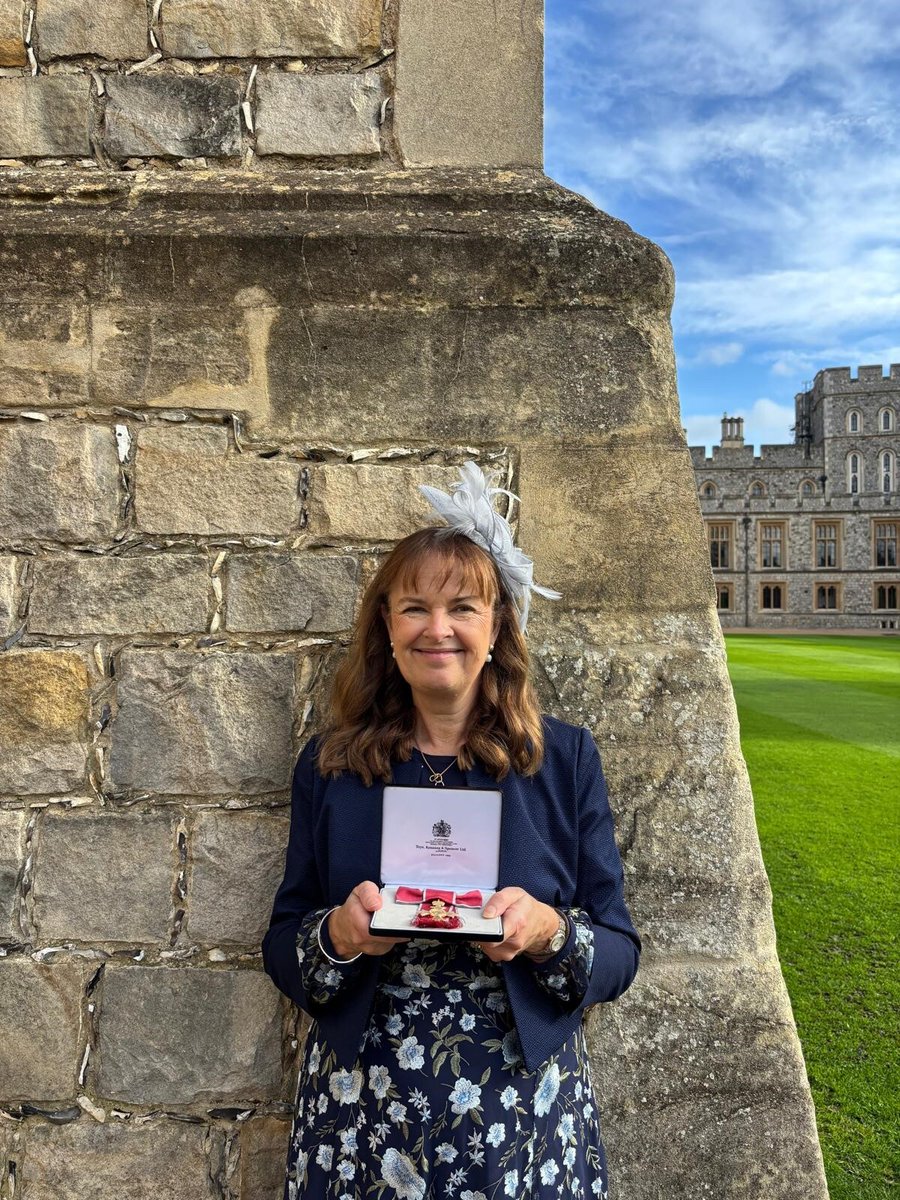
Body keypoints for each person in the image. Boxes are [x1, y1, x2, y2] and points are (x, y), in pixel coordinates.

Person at [262, 463, 640, 1200]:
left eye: (463, 607)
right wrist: (337, 936)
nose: (438, 630)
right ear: (388, 630)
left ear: (497, 628)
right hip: (361, 1113)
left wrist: (549, 932)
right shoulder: (332, 765)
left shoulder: (562, 761)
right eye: (415, 609)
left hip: (522, 1118)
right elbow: (282, 943)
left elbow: (620, 952)